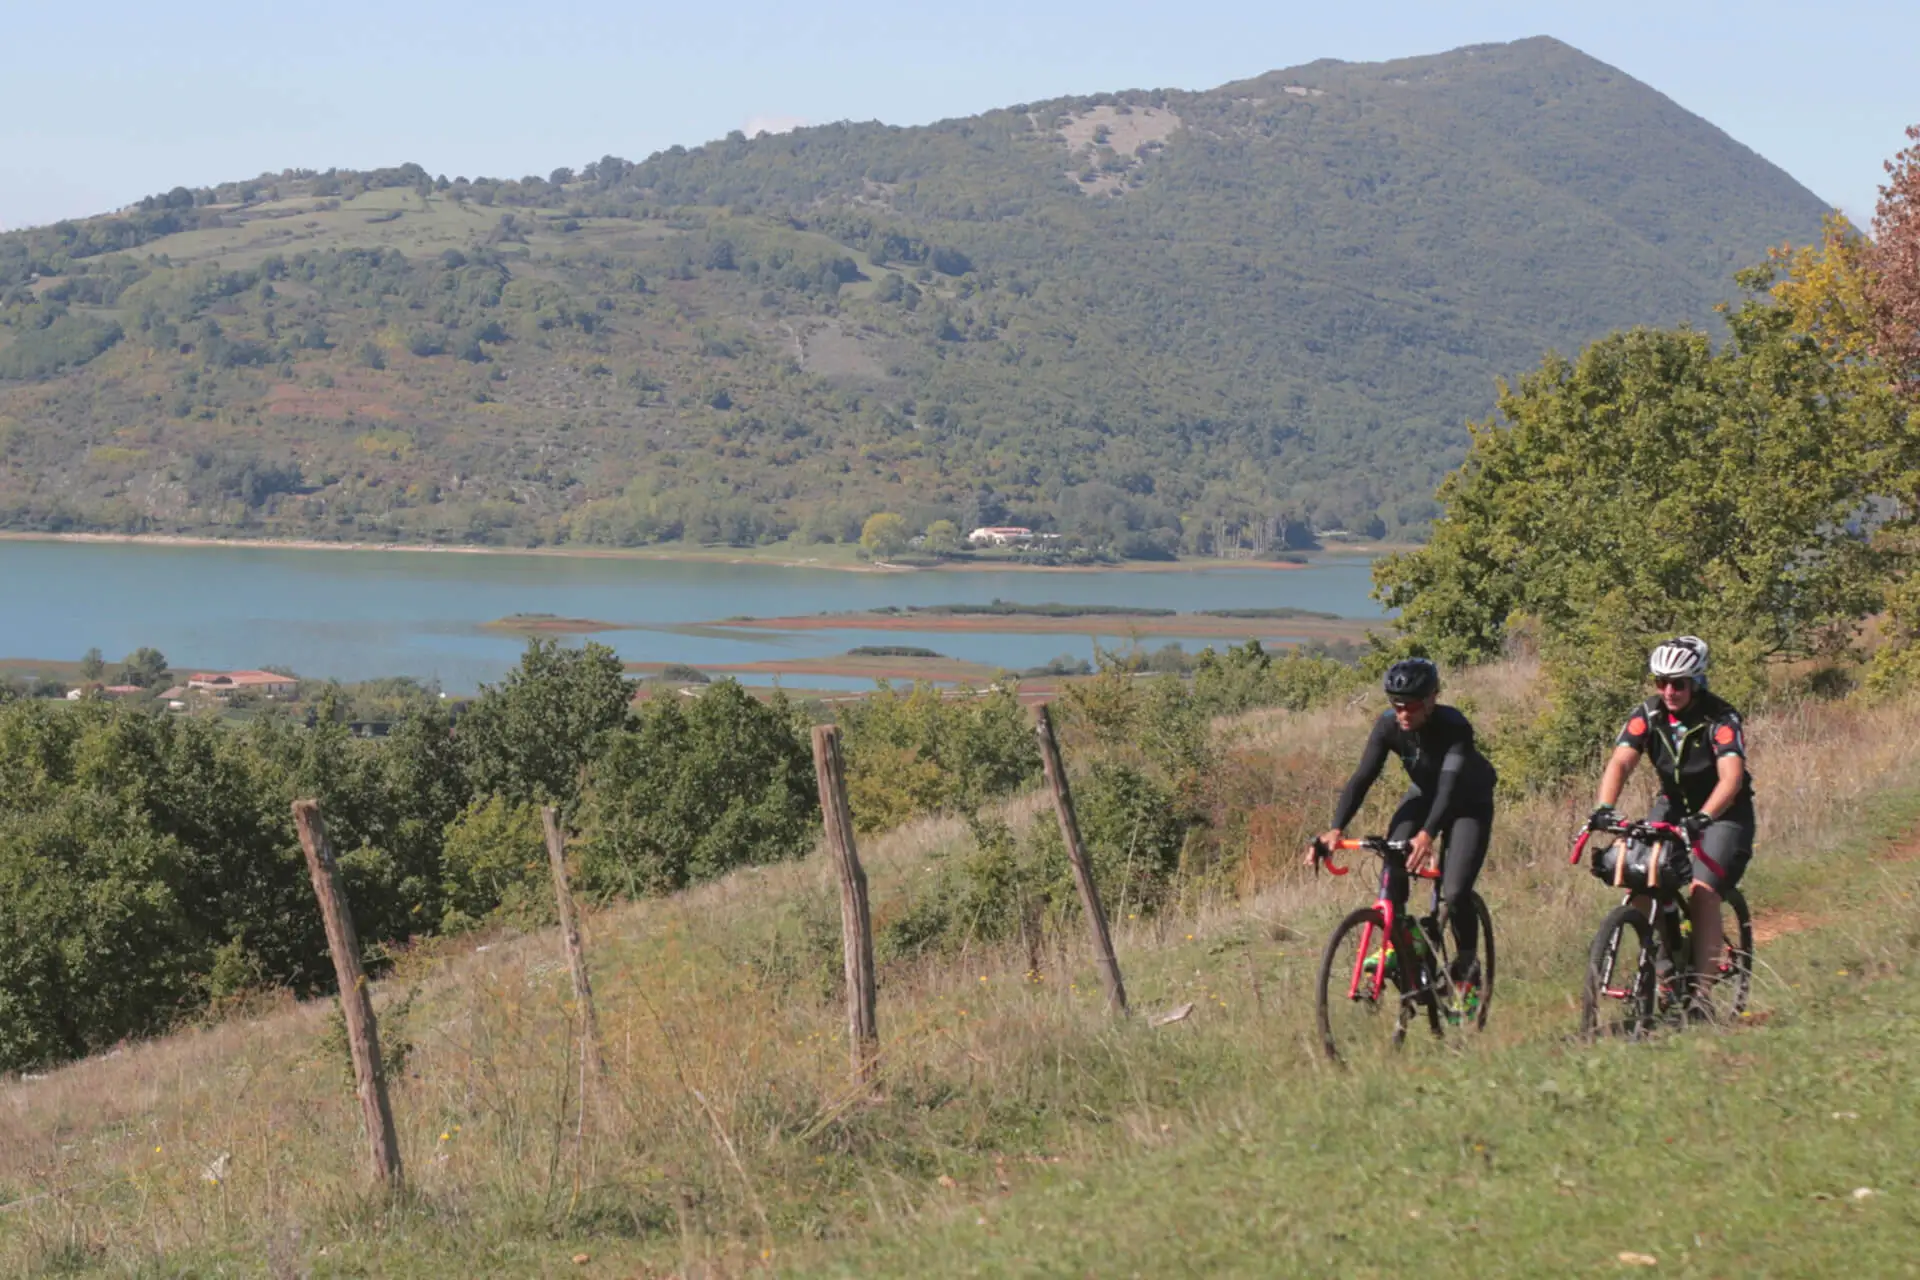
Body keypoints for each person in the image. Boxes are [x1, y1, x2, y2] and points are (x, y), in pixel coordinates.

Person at [1306, 657, 1498, 993]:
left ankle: (1467, 964)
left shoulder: (1454, 727)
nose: (1403, 714)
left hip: (1469, 802)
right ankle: (1402, 941)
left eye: (1410, 706)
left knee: (1454, 892)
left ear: (1431, 700)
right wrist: (1336, 828)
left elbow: (1450, 787)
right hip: (1424, 795)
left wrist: (1428, 834)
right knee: (1392, 854)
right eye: (1396, 706)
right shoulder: (1387, 726)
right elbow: (1362, 778)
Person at [1589, 635, 1754, 1012]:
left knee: (1703, 890)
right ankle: (1665, 976)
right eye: (1660, 681)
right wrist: (1604, 807)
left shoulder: (1721, 718)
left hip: (1724, 812)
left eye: (1678, 683)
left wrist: (1704, 818)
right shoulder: (1648, 714)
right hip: (1674, 805)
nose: (1668, 690)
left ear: (1697, 682)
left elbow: (1731, 779)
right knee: (1639, 874)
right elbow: (1621, 762)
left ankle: (1701, 998)